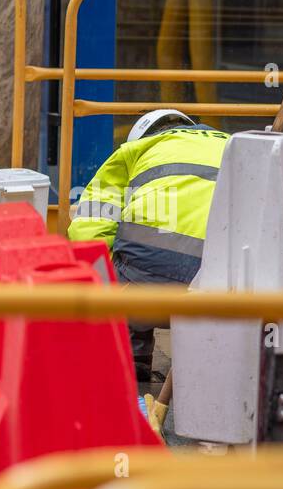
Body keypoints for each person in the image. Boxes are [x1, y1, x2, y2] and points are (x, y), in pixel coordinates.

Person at [68, 108, 229, 382]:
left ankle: (134, 361)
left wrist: (105, 292)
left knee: (121, 256)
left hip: (146, 296)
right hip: (231, 297)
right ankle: (213, 369)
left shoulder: (133, 152)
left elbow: (89, 227)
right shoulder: (233, 144)